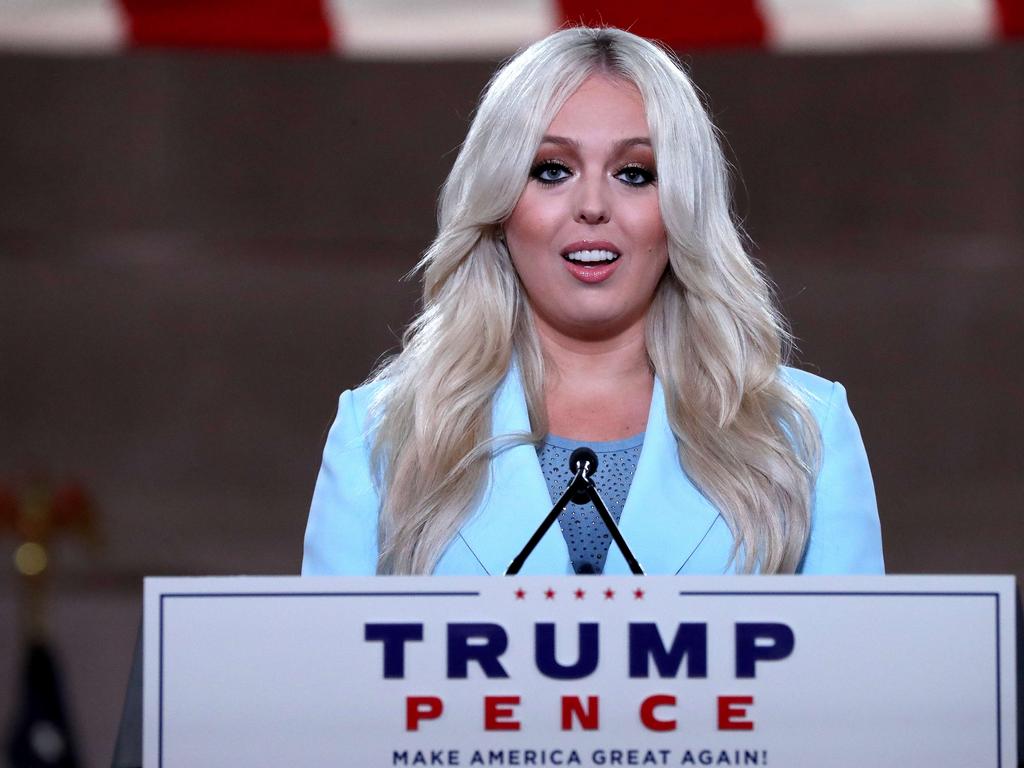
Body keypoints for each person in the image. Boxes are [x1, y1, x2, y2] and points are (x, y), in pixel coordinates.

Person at [302, 25, 883, 578]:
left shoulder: (805, 431)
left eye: (635, 173)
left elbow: (856, 673)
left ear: (682, 207)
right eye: (551, 170)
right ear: (499, 207)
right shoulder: (377, 433)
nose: (593, 206)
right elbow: (326, 674)